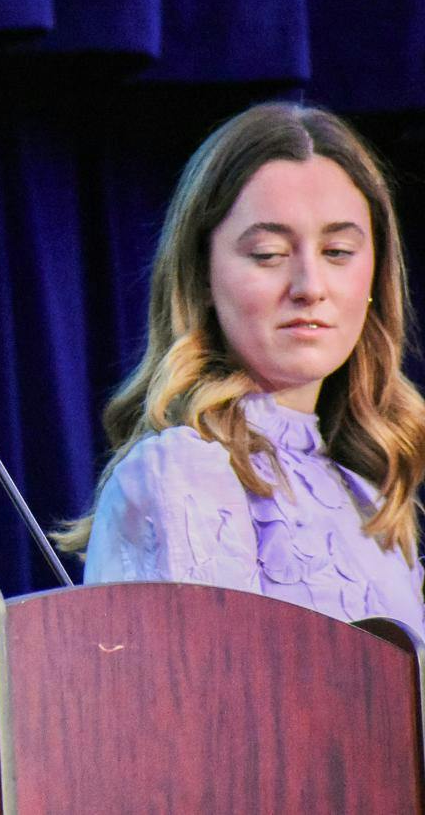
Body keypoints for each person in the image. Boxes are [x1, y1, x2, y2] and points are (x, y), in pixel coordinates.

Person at [58, 102, 425, 636]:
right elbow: (191, 710)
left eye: (338, 251)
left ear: (376, 275)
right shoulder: (180, 472)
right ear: (202, 276)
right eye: (269, 253)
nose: (310, 286)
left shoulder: (369, 491)